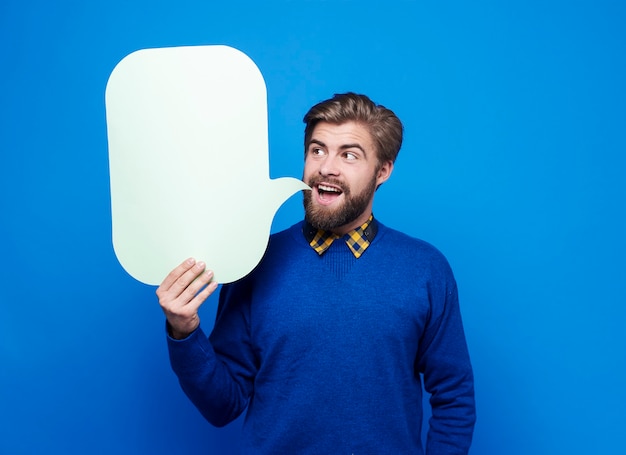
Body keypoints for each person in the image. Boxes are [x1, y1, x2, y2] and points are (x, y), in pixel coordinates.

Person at [157, 93, 476, 454]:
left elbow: (454, 398)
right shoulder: (255, 261)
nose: (327, 168)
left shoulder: (425, 269)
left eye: (349, 155)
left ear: (383, 171)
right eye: (317, 150)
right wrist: (183, 332)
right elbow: (222, 405)